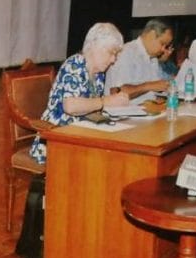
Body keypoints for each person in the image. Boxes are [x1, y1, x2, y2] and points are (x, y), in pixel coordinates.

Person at [28, 22, 130, 164]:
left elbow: (93, 108)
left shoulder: (99, 73)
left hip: (82, 135)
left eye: (116, 55)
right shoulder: (74, 65)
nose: (113, 60)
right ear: (94, 46)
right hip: (57, 138)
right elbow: (70, 106)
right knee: (106, 161)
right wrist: (106, 101)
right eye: (111, 53)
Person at [103, 18, 173, 98]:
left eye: (166, 46)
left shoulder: (153, 58)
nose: (163, 49)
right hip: (125, 109)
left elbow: (155, 90)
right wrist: (149, 86)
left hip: (149, 107)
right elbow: (118, 92)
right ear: (152, 35)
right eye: (162, 43)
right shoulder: (126, 53)